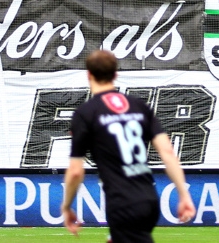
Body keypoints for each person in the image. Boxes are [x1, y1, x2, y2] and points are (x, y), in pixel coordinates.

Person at [62, 50, 195, 242]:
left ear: (89, 74)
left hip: (122, 203)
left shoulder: (85, 113)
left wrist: (66, 207)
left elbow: (75, 171)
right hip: (149, 199)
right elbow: (168, 153)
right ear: (115, 75)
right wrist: (184, 194)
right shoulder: (139, 106)